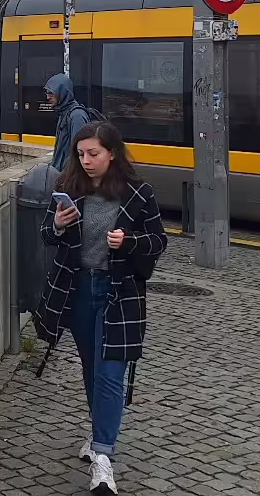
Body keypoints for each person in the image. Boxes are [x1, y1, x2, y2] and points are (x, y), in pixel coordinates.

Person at [32, 121, 169, 495]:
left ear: (112, 153)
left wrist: (129, 242)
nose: (87, 161)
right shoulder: (67, 189)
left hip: (120, 293)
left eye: (94, 153)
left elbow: (158, 241)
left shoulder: (139, 194)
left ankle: (103, 459)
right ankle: (98, 436)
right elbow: (46, 234)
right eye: (81, 154)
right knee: (93, 370)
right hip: (77, 292)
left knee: (110, 374)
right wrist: (58, 225)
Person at [44, 73, 98, 172]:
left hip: (68, 178)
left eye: (51, 93)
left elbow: (79, 153)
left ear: (62, 92)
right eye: (47, 92)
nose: (48, 97)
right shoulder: (64, 113)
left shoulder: (76, 116)